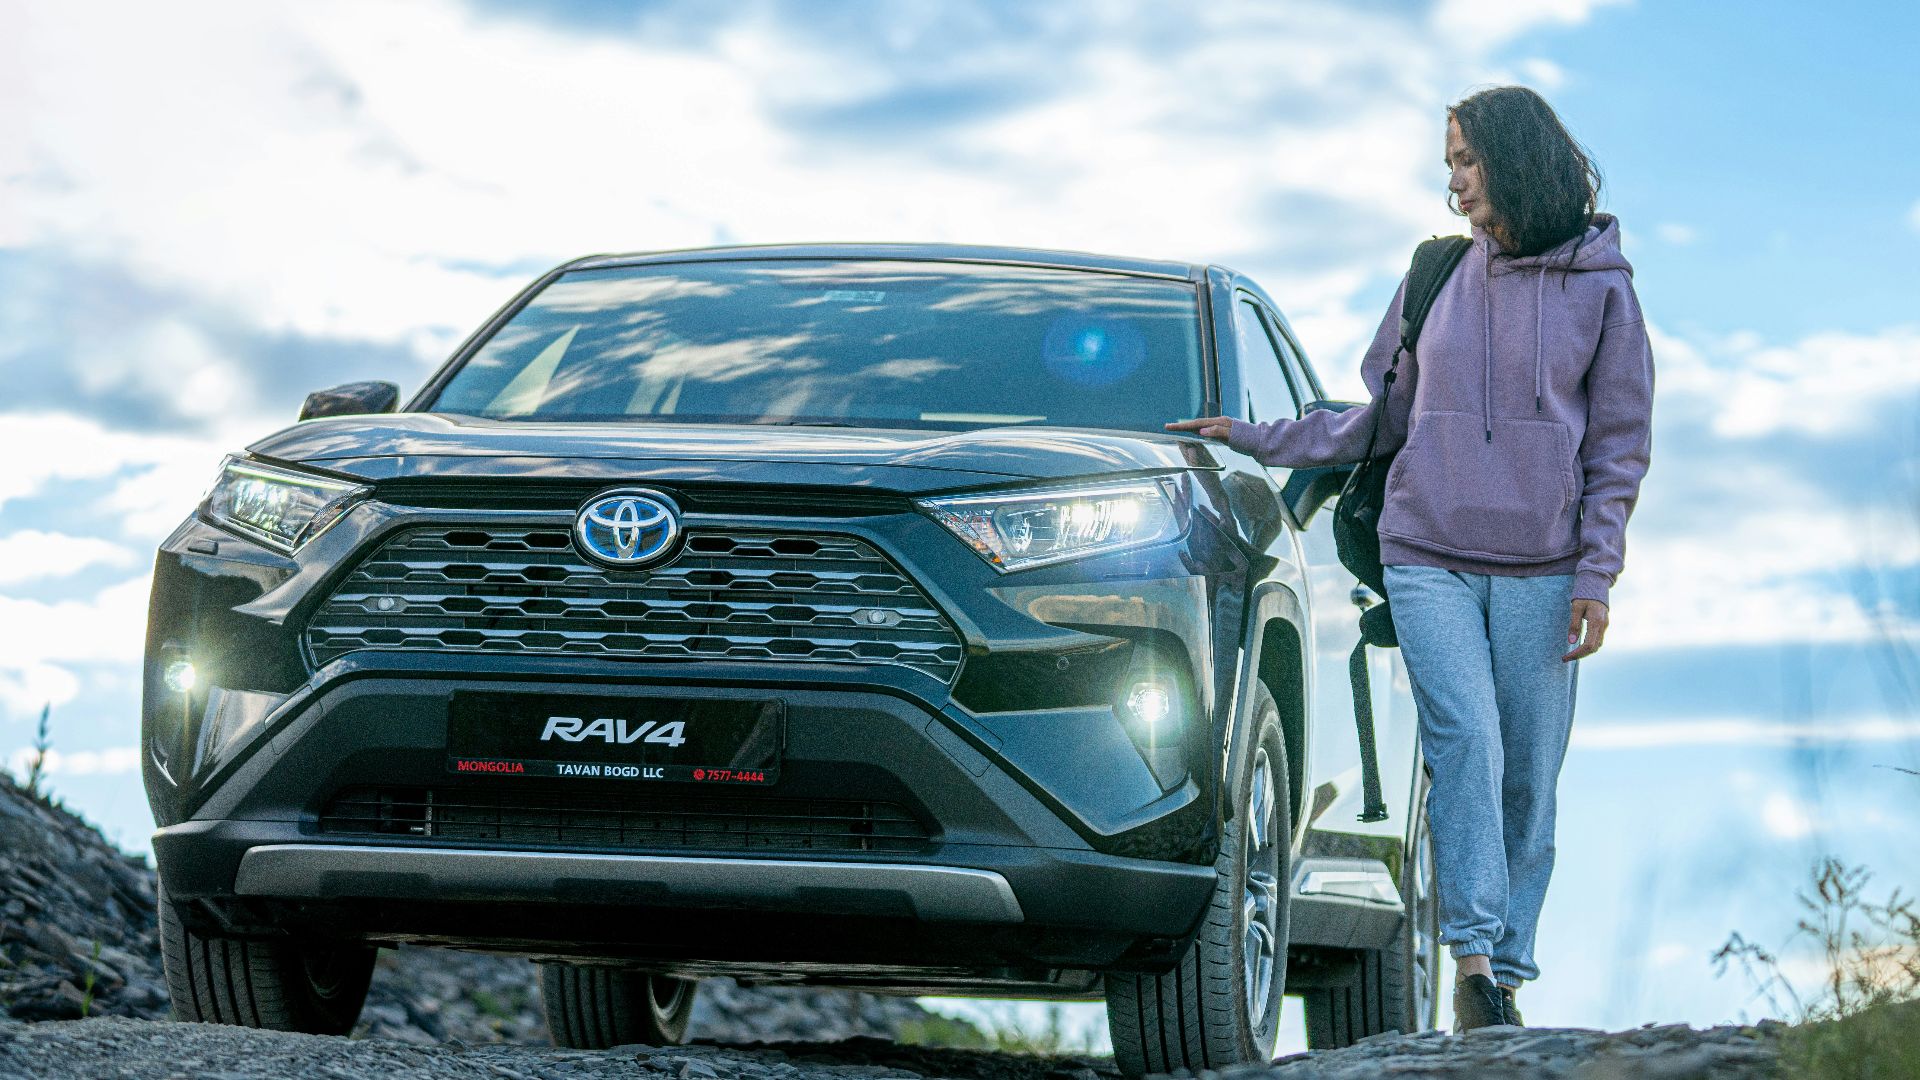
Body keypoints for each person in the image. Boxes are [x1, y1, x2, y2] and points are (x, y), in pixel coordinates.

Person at [1166, 85, 1655, 1032]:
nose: (1455, 182)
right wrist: (1260, 437)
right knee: (1464, 742)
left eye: (1468, 161)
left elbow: (1618, 448)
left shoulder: (1604, 289)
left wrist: (1597, 574)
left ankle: (1507, 966)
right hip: (1426, 551)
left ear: (1517, 160)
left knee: (1528, 774)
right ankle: (1473, 965)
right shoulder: (1435, 276)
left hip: (1545, 565)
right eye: (1450, 165)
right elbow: (1380, 420)